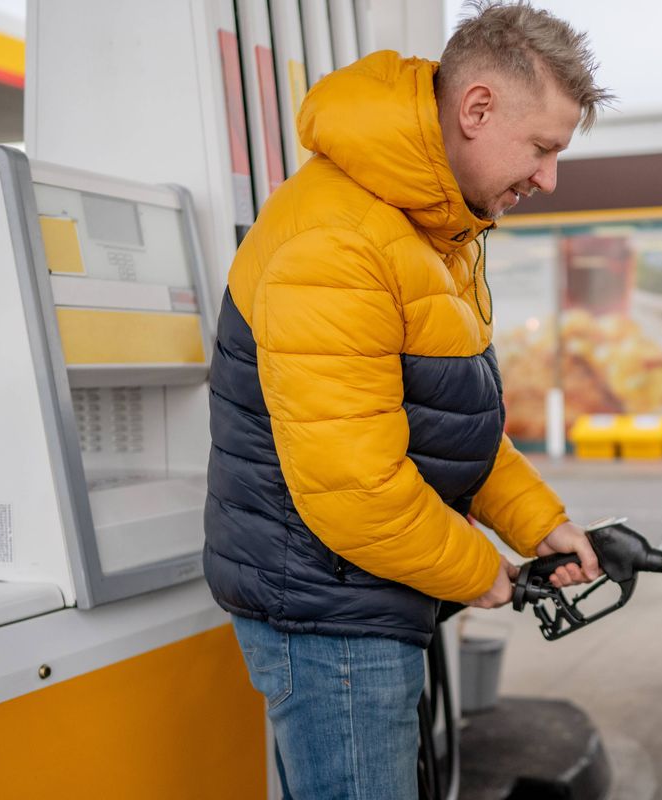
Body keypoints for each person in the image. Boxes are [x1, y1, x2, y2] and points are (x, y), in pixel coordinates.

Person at [202, 2, 613, 796]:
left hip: (359, 598)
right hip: (329, 617)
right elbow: (358, 489)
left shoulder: (427, 229)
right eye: (542, 149)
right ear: (477, 108)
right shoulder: (339, 241)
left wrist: (541, 524)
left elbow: (449, 426)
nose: (548, 177)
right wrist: (479, 570)